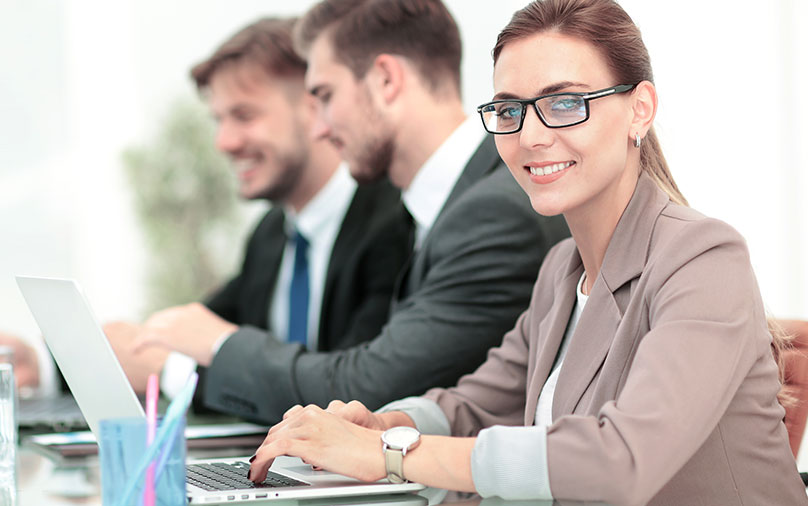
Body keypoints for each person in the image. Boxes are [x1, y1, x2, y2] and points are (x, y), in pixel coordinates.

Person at [246, 0, 808, 504]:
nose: (531, 136)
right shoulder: (562, 272)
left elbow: (621, 460)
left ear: (640, 109)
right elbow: (476, 406)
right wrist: (381, 424)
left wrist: (388, 457)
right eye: (510, 110)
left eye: (564, 103)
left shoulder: (704, 258)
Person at [134, 0, 568, 423]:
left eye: (324, 95)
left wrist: (220, 344)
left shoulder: (493, 213)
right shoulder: (430, 209)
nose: (319, 126)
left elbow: (372, 390)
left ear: (385, 80)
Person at [101, 17, 412, 404]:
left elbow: (347, 389)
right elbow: (184, 331)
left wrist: (173, 372)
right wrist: (48, 364)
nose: (224, 142)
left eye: (244, 115)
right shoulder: (271, 234)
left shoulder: (394, 223)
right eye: (218, 120)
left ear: (315, 107)